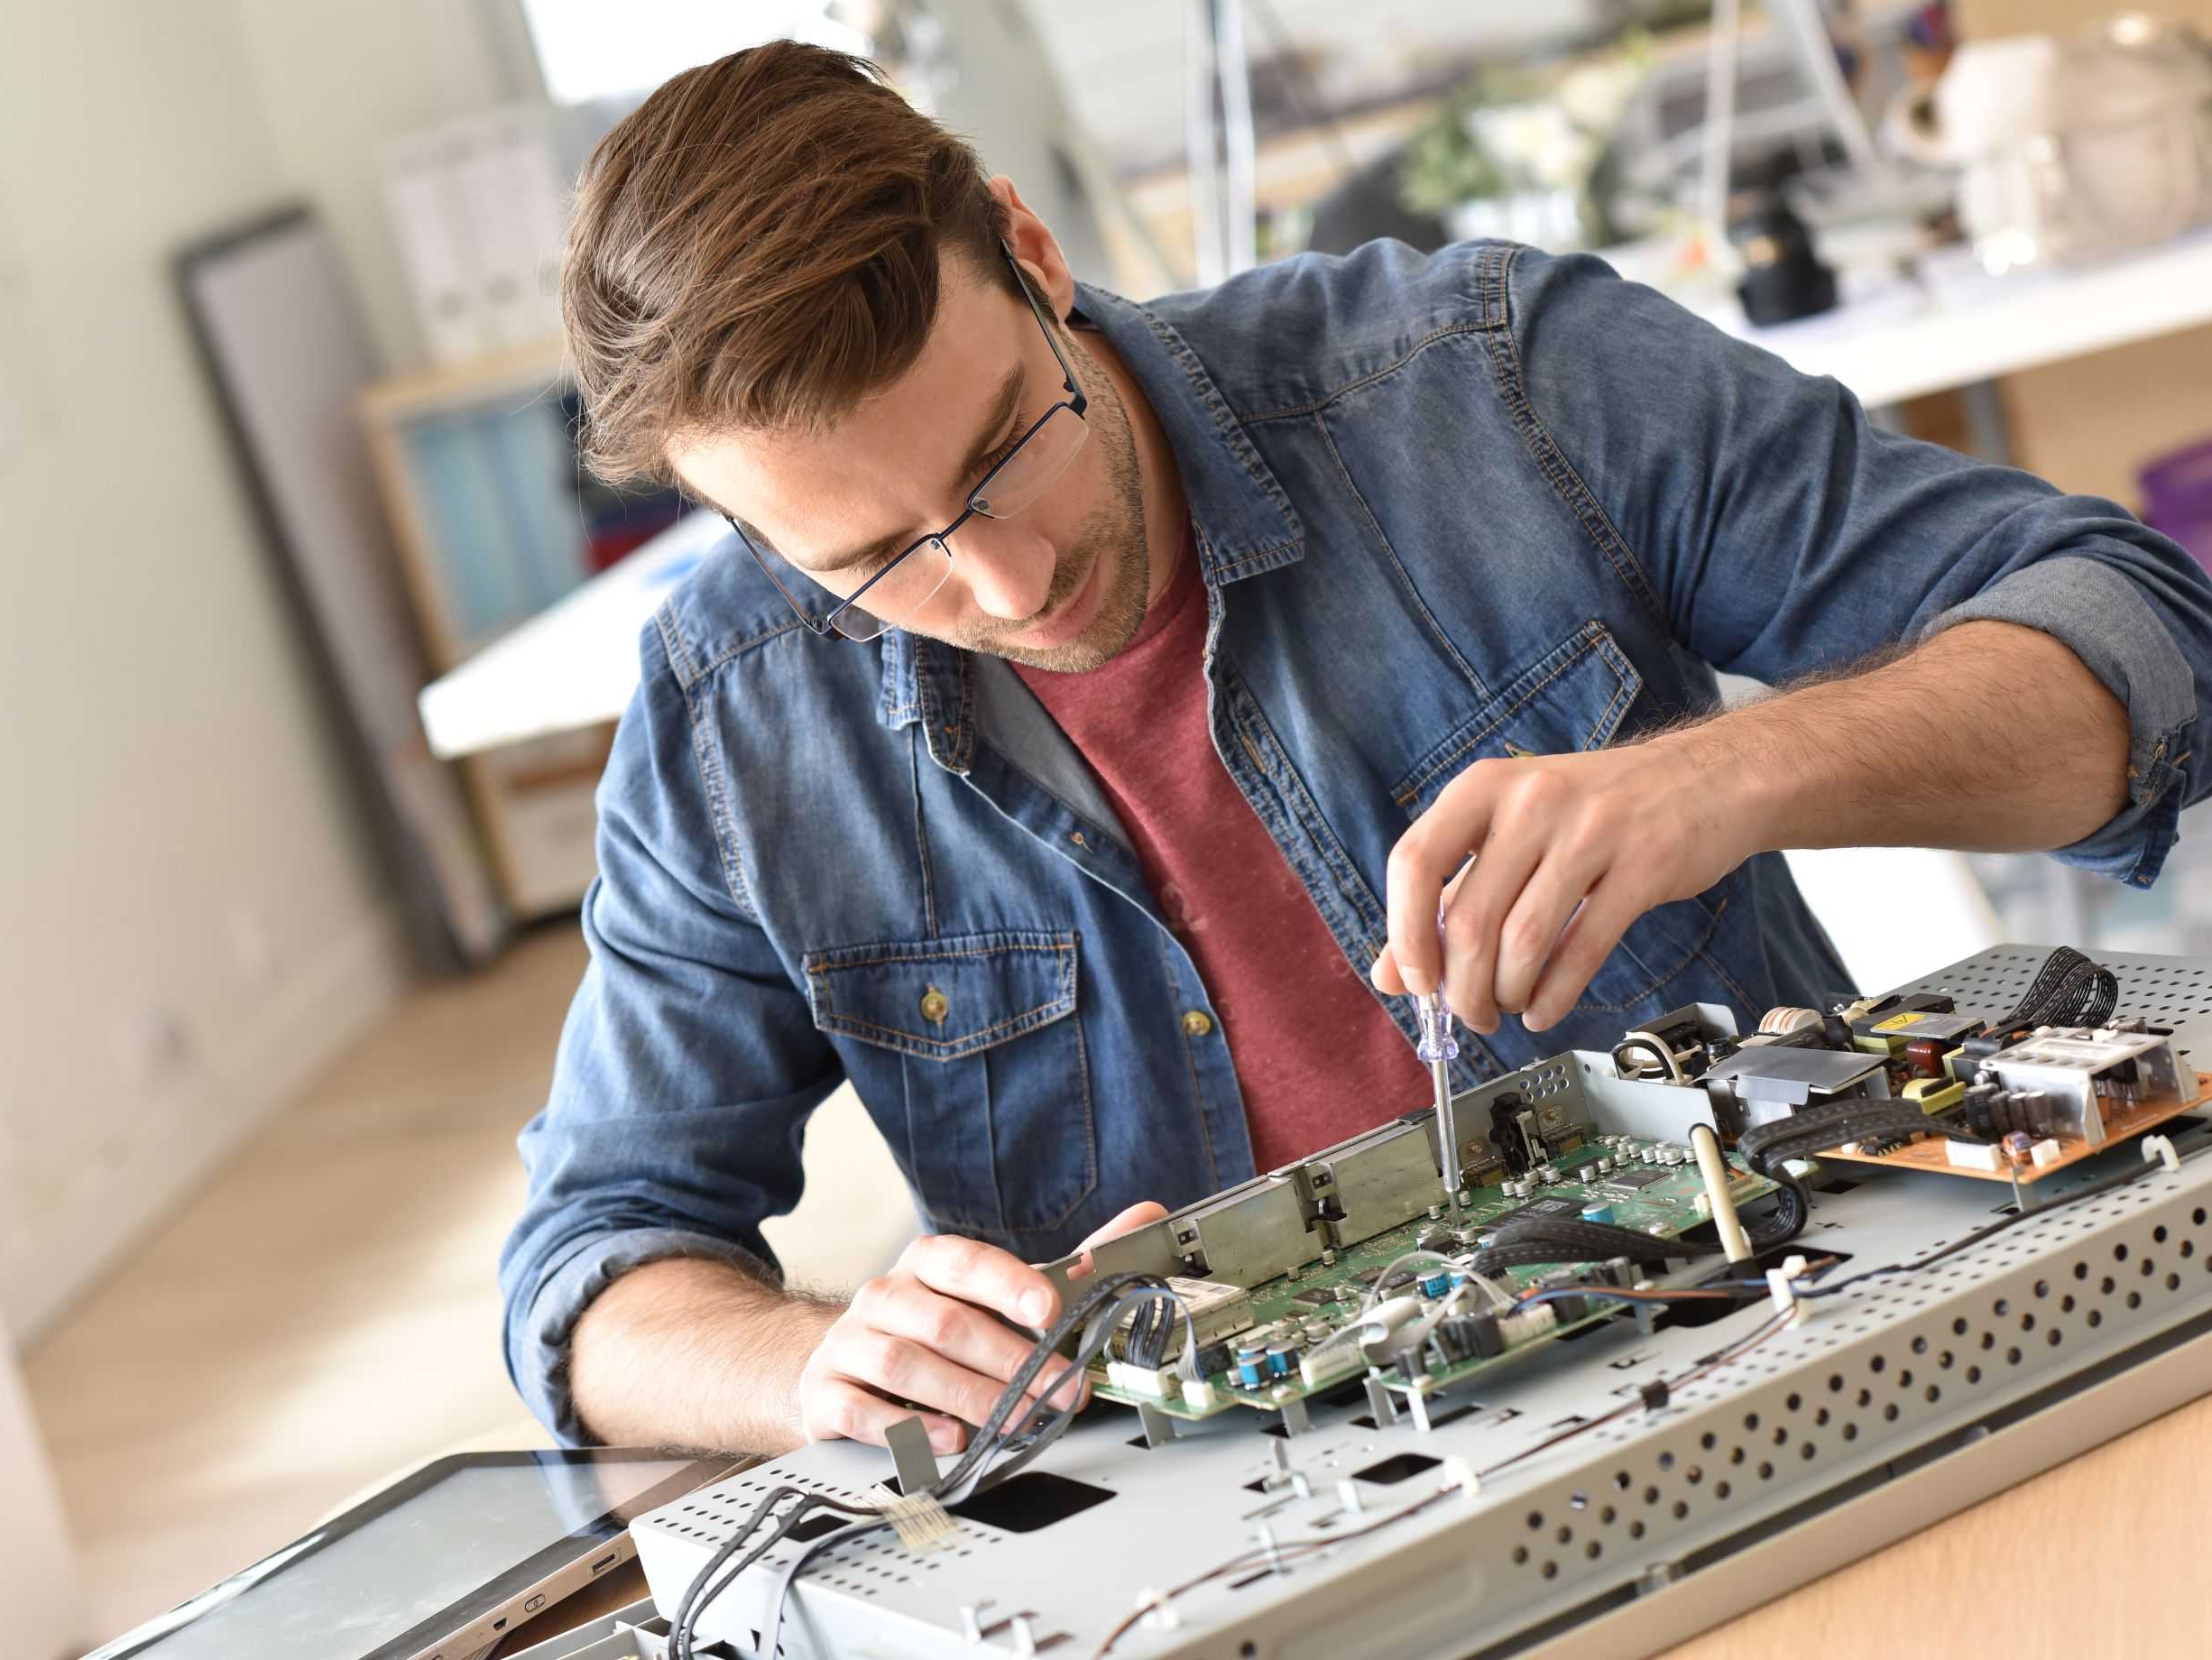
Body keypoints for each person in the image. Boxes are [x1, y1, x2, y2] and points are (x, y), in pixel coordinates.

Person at [500, 42, 2212, 1457]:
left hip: (1772, 1366)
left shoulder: (1487, 384)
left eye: (1001, 455)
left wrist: (1737, 771)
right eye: (873, 561)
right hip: (1233, 1524)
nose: (1006, 581)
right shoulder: (728, 713)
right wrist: (809, 1370)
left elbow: (2145, 644)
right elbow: (591, 1271)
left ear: (1029, 251)